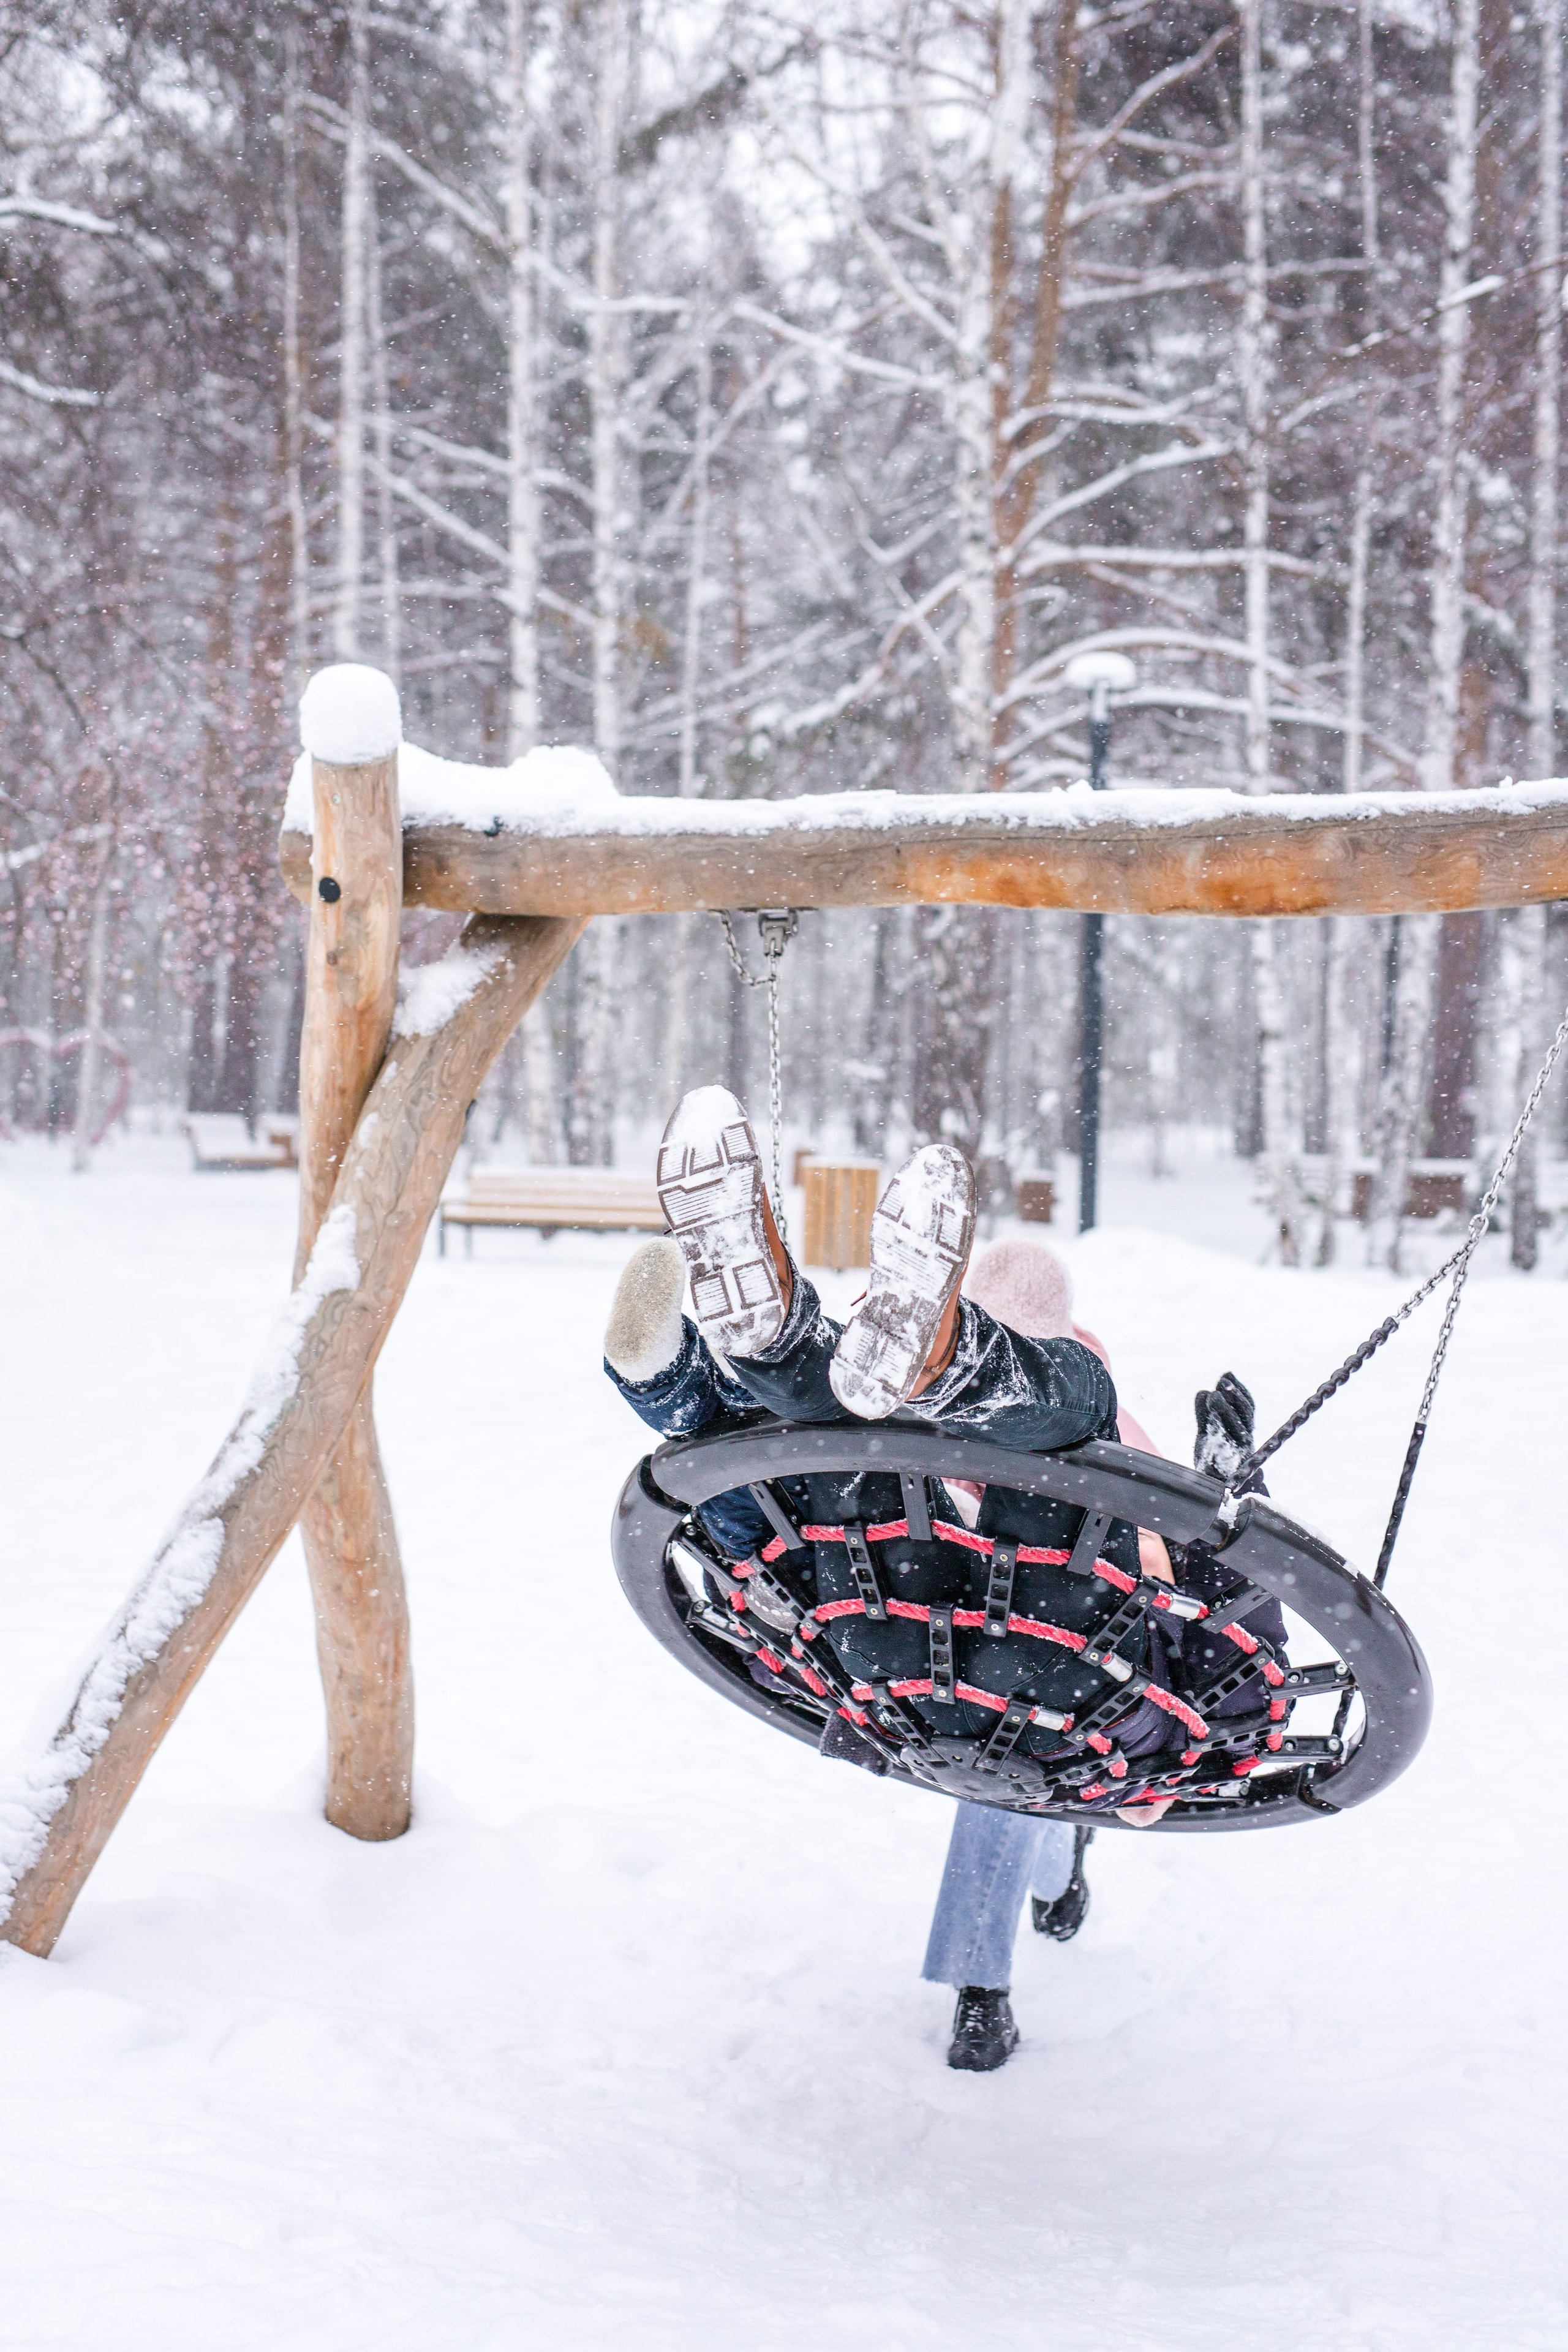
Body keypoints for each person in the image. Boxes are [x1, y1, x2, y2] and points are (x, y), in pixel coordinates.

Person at [605, 1085, 1281, 2071]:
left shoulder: (891, 1490)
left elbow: (765, 1526)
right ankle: (968, 1370)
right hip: (1075, 1693)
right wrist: (1227, 1485)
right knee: (1037, 1705)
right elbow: (1222, 1619)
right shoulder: (1112, 1438)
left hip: (880, 1665)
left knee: (828, 1472)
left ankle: (765, 1352)